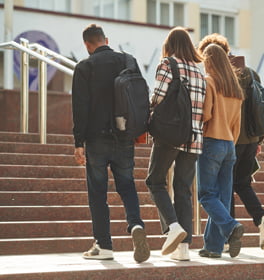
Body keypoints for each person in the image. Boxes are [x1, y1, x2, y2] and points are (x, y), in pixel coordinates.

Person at [71, 24, 150, 263]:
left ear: (87, 45)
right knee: (127, 185)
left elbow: (80, 107)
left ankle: (104, 245)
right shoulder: (128, 61)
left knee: (97, 192)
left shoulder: (84, 67)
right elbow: (139, 97)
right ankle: (135, 224)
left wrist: (78, 142)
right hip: (125, 135)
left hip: (96, 138)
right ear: (106, 39)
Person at [198, 34, 264, 251]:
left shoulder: (215, 79)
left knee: (215, 191)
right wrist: (254, 140)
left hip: (220, 140)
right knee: (232, 189)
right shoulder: (243, 79)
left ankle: (229, 230)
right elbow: (249, 115)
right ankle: (217, 245)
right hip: (240, 141)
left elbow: (207, 114)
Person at [145, 27, 206, 261]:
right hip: (194, 138)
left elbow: (158, 96)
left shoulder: (168, 65)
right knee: (183, 190)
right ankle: (183, 249)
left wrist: (148, 111)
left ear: (169, 46)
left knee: (155, 181)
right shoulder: (199, 73)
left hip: (170, 135)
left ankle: (173, 226)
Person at [197, 43, 245, 259]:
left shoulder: (209, 82)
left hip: (212, 141)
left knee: (206, 194)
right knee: (223, 197)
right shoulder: (235, 88)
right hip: (229, 145)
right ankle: (213, 247)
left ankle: (231, 226)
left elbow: (206, 115)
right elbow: (237, 124)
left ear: (210, 61)